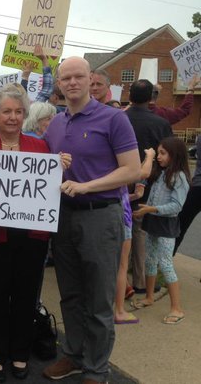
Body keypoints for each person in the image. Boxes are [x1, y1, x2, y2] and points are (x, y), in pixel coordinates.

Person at [43, 57, 140, 384]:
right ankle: (73, 353)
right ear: (59, 83)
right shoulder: (55, 123)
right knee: (70, 293)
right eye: (65, 77)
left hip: (100, 215)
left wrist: (85, 185)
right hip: (64, 216)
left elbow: (132, 170)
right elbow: (43, 169)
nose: (71, 82)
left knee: (98, 298)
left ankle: (96, 369)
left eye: (78, 76)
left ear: (90, 80)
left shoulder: (113, 119)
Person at [0, 86, 68, 382]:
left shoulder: (40, 149)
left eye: (18, 112)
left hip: (32, 236)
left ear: (24, 115)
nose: (12, 117)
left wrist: (59, 168)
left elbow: (47, 189)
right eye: (6, 111)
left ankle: (20, 353)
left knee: (26, 296)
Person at [131, 137, 190, 324]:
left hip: (166, 227)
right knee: (150, 260)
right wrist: (142, 211)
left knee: (165, 264)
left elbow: (176, 206)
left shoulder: (179, 176)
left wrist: (152, 210)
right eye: (158, 153)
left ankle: (177, 308)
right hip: (153, 224)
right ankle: (149, 297)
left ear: (175, 155)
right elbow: (153, 199)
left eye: (163, 153)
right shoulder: (161, 174)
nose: (158, 157)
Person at [125, 79, 173, 294]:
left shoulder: (119, 118)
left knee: (121, 229)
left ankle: (120, 281)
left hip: (118, 180)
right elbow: (169, 154)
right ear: (151, 98)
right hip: (149, 183)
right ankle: (141, 281)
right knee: (140, 232)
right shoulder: (160, 123)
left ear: (129, 95)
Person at [114, 148, 155, 325]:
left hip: (103, 217)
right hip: (122, 219)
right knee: (122, 266)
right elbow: (143, 172)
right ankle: (119, 311)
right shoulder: (120, 167)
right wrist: (150, 156)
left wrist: (129, 195)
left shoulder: (98, 166)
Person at [174, 133, 201, 254]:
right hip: (198, 186)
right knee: (181, 222)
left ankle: (166, 257)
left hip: (198, 187)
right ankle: (165, 259)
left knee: (181, 223)